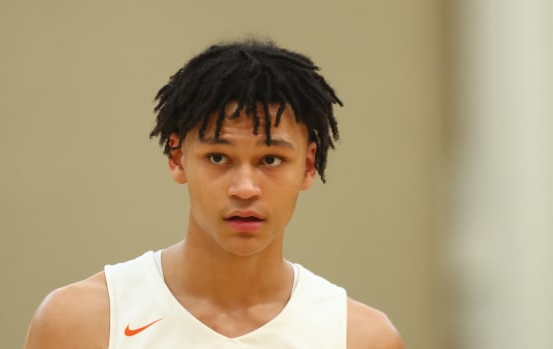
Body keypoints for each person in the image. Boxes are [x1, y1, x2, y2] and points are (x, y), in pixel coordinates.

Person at [23, 39, 404, 349]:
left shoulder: (360, 338)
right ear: (177, 157)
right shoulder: (82, 323)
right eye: (218, 157)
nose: (244, 188)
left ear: (307, 165)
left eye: (270, 159)